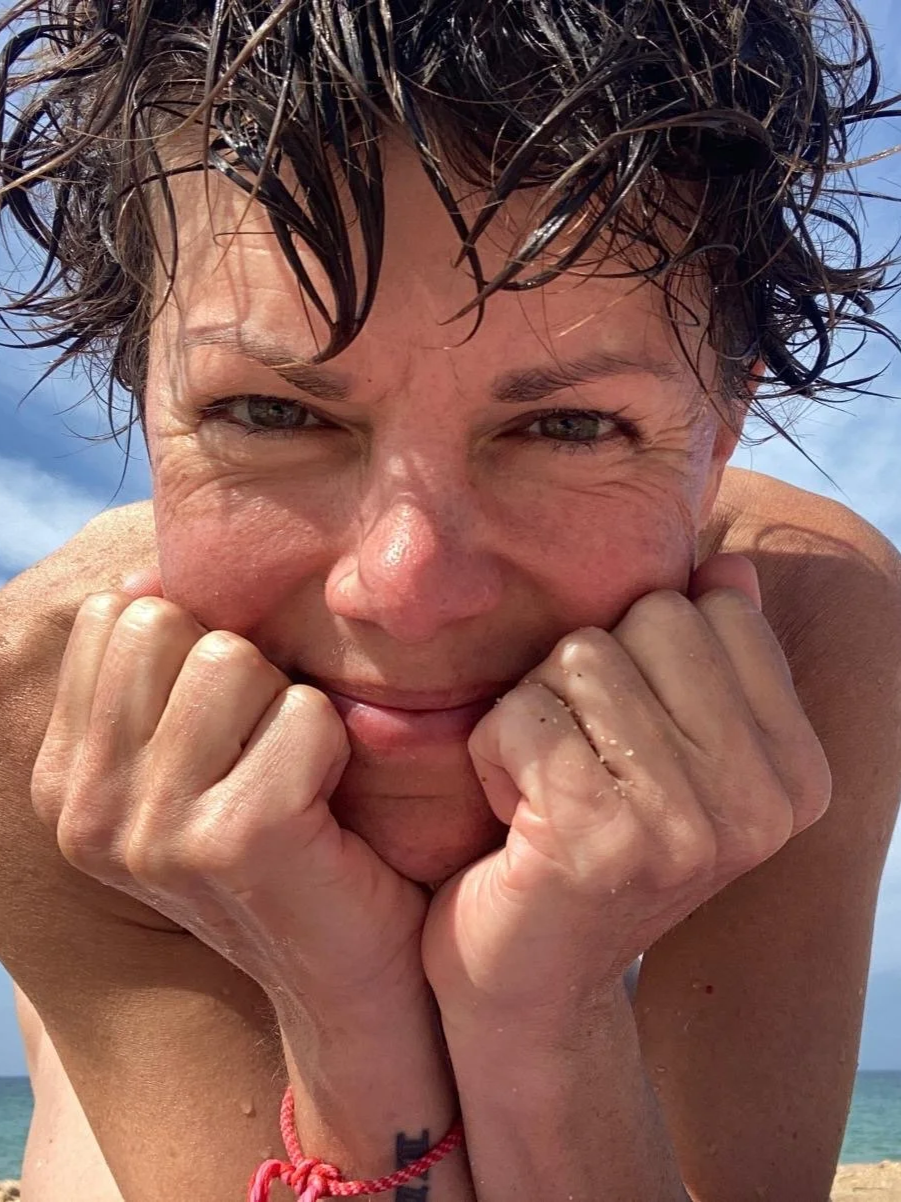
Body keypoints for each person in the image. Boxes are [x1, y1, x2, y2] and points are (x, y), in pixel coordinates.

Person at [0, 2, 900, 1200]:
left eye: (569, 424)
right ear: (146, 395)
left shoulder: (815, 628)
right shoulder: (33, 707)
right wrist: (344, 1007)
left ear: (723, 427)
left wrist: (546, 1017)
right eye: (270, 412)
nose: (405, 589)